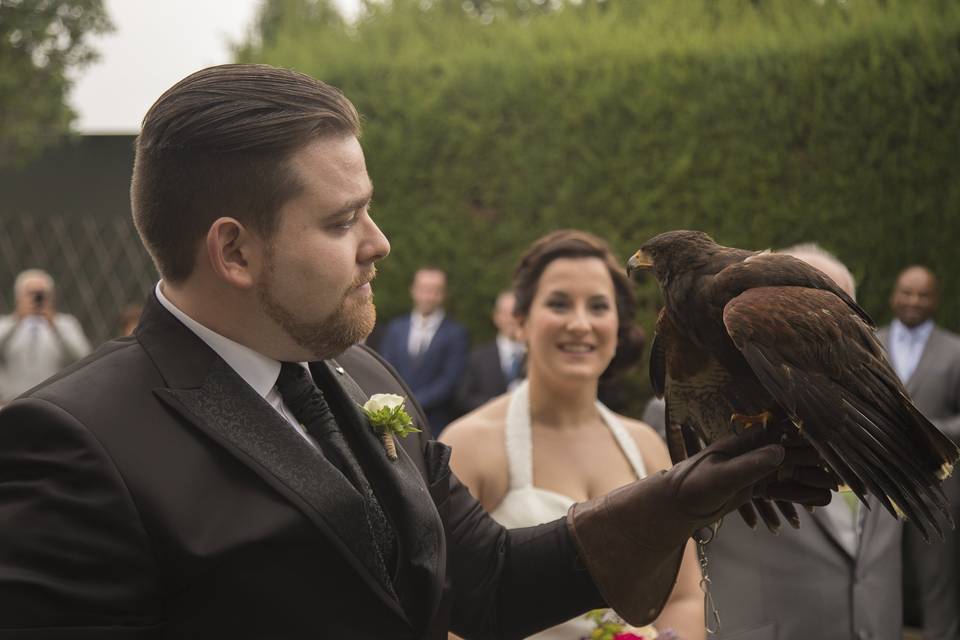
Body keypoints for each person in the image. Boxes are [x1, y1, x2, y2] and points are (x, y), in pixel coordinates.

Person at [0, 64, 831, 639]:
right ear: (235, 253)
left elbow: (491, 582)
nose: (380, 243)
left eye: (370, 210)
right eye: (341, 221)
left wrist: (678, 499)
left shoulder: (361, 375)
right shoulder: (76, 445)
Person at [442, 230, 705, 640]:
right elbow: (446, 614)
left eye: (598, 307)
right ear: (520, 321)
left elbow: (683, 596)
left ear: (617, 327)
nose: (580, 324)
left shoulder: (646, 447)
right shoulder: (471, 444)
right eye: (559, 303)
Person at [646, 243, 907, 640]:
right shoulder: (694, 367)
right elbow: (667, 556)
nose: (806, 324)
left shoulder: (883, 416)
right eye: (786, 309)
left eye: (821, 313)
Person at [878, 265, 960, 640]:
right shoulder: (869, 343)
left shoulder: (955, 350)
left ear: (935, 300)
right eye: (906, 292)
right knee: (877, 577)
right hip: (878, 484)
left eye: (922, 294)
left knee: (937, 581)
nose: (913, 301)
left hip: (937, 488)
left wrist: (927, 432)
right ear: (894, 295)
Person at [379, 267, 470, 435]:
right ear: (413, 291)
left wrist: (413, 403)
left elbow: (450, 380)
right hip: (394, 419)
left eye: (435, 291)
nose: (428, 296)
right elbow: (386, 368)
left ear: (443, 294)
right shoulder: (395, 328)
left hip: (434, 423)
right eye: (423, 290)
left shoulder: (456, 333)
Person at [0, 268, 91, 402]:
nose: (37, 299)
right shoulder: (5, 324)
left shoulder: (66, 324)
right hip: (9, 402)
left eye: (41, 294)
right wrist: (17, 320)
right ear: (18, 296)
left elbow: (83, 356)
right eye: (31, 294)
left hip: (52, 404)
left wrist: (54, 324)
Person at [456, 290, 525, 414]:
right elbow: (464, 397)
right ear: (496, 317)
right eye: (506, 314)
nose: (511, 319)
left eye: (516, 313)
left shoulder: (536, 356)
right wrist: (492, 405)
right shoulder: (478, 357)